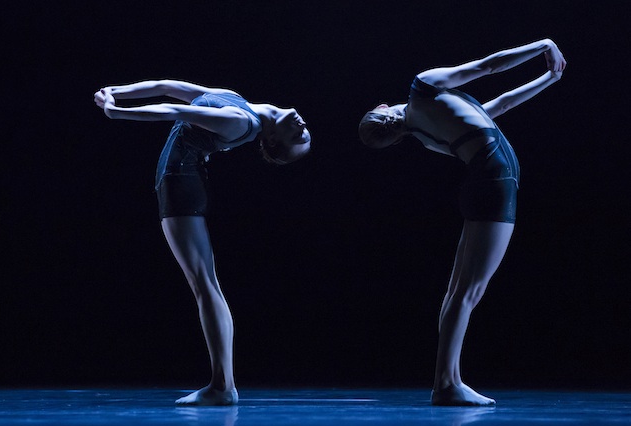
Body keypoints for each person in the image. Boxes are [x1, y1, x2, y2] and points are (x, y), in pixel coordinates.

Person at [358, 39, 566, 406]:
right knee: (467, 292)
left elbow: (498, 106)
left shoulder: (425, 136)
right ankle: (445, 385)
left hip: (485, 184)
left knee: (460, 291)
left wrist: (548, 79)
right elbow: (488, 65)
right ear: (382, 107)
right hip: (494, 184)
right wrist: (543, 46)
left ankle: (448, 380)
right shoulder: (422, 87)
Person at [94, 80, 311, 405]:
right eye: (304, 131)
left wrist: (115, 111)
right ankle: (223, 386)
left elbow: (173, 110)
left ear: (272, 139)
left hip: (181, 186)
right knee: (205, 283)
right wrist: (117, 91)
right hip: (181, 182)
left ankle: (223, 386)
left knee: (204, 284)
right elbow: (166, 86)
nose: (302, 125)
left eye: (297, 136)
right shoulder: (240, 101)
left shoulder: (242, 122)